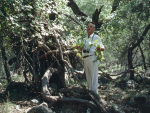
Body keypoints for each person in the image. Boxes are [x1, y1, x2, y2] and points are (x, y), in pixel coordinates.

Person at [76, 23, 105, 94]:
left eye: (91, 27)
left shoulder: (96, 37)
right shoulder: (85, 38)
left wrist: (99, 48)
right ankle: (90, 93)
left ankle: (95, 93)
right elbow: (83, 49)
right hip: (85, 59)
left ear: (94, 29)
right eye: (88, 26)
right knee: (88, 77)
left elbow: (103, 48)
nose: (89, 28)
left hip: (92, 58)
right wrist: (78, 48)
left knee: (94, 77)